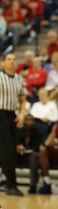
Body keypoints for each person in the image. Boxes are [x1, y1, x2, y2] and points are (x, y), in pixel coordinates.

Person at [0, 53, 27, 195]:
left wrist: (22, 114)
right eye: (8, 59)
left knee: (12, 150)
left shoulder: (19, 79)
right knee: (7, 149)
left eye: (14, 59)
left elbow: (22, 100)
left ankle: (8, 182)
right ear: (4, 63)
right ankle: (11, 185)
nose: (11, 61)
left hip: (12, 115)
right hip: (1, 114)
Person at [16, 113, 42, 194]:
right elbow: (16, 143)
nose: (29, 122)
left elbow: (36, 147)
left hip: (31, 154)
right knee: (8, 153)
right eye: (27, 120)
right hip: (19, 154)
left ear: (34, 122)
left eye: (31, 120)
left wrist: (25, 149)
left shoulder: (38, 131)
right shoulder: (19, 130)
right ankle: (6, 181)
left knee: (34, 156)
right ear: (24, 121)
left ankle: (33, 186)